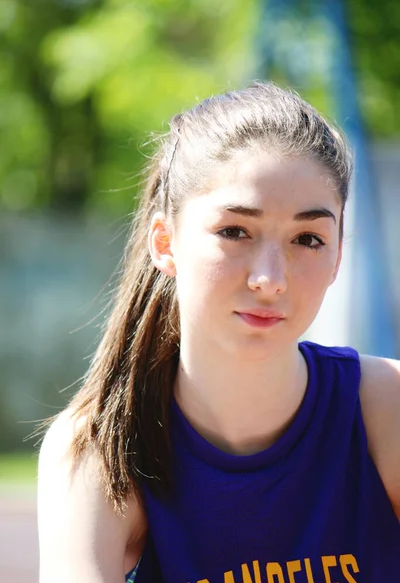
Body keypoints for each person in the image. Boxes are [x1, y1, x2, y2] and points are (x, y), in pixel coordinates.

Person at [37, 81, 400, 583]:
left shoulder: (385, 408)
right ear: (165, 242)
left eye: (308, 239)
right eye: (235, 231)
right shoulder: (101, 447)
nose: (270, 279)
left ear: (338, 255)